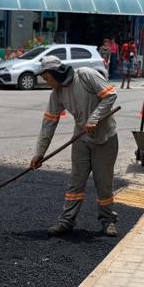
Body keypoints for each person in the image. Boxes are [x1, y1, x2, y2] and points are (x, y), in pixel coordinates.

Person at [30, 55, 119, 238]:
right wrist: (39, 153)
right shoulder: (57, 93)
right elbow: (49, 124)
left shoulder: (85, 75)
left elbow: (110, 95)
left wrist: (94, 118)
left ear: (56, 73)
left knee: (103, 183)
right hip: (81, 139)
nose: (47, 83)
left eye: (47, 78)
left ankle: (108, 220)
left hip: (105, 138)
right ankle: (66, 221)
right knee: (75, 182)